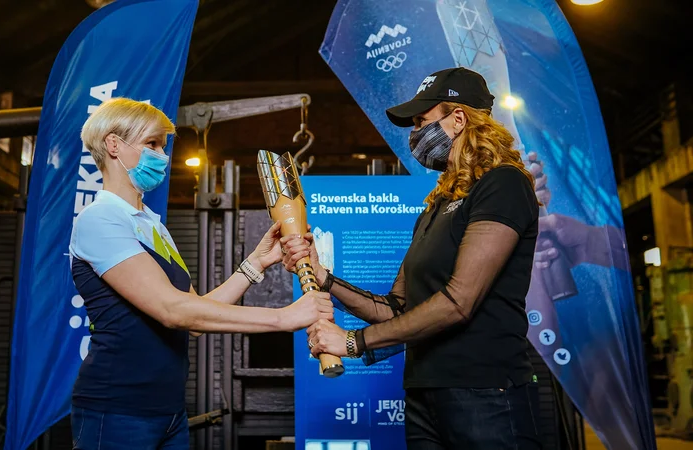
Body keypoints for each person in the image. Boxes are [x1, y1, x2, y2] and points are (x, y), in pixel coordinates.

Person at [283, 67, 542, 449]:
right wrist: (325, 278)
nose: (415, 134)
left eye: (422, 120)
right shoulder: (436, 206)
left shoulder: (503, 184)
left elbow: (459, 302)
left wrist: (353, 342)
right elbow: (396, 307)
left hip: (485, 392)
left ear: (458, 119)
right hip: (425, 393)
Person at [69, 97, 333, 450]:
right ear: (114, 145)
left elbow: (194, 313)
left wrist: (255, 263)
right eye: (152, 144)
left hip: (168, 411)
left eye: (163, 145)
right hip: (117, 409)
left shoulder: (152, 225)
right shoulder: (100, 220)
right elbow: (172, 311)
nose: (162, 155)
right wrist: (283, 318)